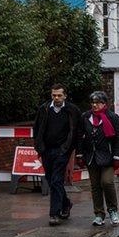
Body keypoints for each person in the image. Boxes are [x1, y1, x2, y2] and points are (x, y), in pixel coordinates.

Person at [33, 84, 81, 226]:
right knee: (51, 179)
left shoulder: (72, 110)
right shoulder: (44, 109)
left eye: (59, 95)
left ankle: (54, 214)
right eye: (54, 95)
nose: (57, 98)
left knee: (56, 180)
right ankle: (66, 204)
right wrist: (39, 147)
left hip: (63, 150)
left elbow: (77, 132)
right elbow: (37, 128)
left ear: (65, 95)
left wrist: (74, 150)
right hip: (46, 150)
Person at [78, 91, 119, 226]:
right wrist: (80, 155)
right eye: (93, 102)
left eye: (98, 102)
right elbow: (80, 136)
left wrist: (117, 156)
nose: (95, 105)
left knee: (107, 182)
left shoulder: (112, 117)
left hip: (108, 157)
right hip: (91, 157)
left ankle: (113, 210)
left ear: (104, 104)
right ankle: (99, 214)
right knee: (95, 186)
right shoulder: (86, 117)